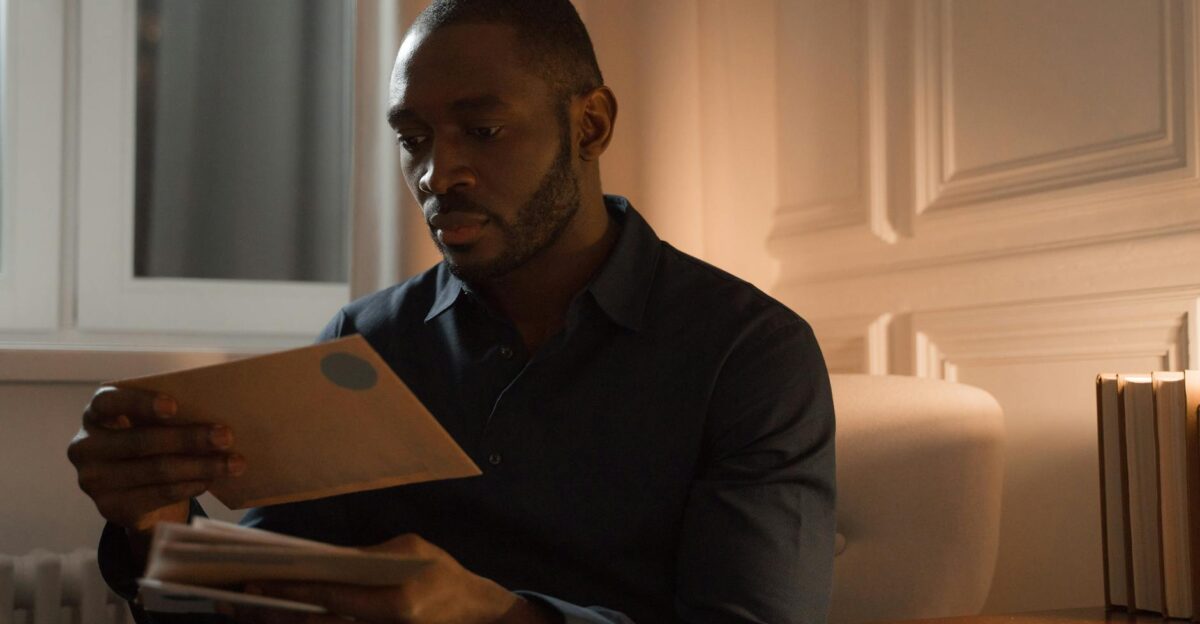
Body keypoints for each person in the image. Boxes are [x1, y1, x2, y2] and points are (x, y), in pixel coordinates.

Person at [67, 1, 836, 622]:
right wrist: (158, 525)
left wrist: (500, 617)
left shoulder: (749, 355)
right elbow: (268, 603)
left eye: (484, 130)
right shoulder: (363, 344)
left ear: (590, 125)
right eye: (413, 138)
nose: (439, 172)